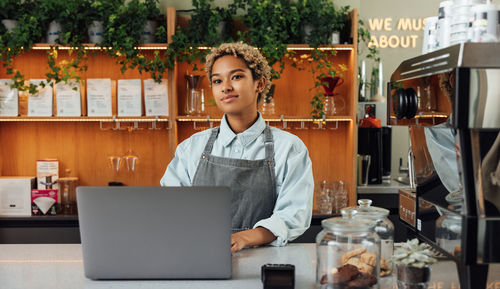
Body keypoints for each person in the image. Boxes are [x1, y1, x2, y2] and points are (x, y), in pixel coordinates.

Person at [160, 42, 314, 253]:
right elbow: (169, 207)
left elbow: (294, 215)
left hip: (266, 260)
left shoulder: (290, 148)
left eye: (237, 77)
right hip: (200, 255)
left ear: (260, 84)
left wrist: (243, 238)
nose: (226, 87)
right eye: (217, 80)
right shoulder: (191, 148)